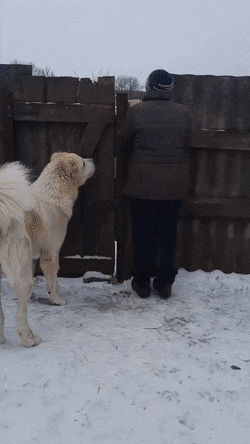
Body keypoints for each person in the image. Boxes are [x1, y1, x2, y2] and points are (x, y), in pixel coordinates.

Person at [120, 69, 192, 299]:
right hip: (173, 188)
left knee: (143, 236)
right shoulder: (184, 114)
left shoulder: (136, 113)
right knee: (168, 236)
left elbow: (122, 141)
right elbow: (189, 144)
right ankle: (164, 283)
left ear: (150, 87)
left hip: (142, 187)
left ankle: (141, 282)